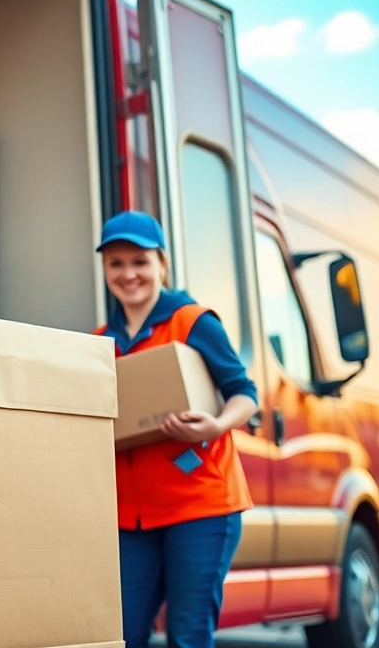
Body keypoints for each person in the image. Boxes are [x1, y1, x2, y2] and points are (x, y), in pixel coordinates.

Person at [95, 211, 258, 648]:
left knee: (187, 636)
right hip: (131, 517)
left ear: (161, 265)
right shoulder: (98, 341)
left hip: (200, 507)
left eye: (140, 261)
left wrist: (217, 423)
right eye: (116, 263)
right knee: (121, 636)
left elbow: (244, 393)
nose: (128, 274)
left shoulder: (192, 322)